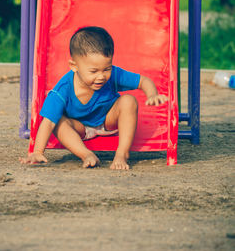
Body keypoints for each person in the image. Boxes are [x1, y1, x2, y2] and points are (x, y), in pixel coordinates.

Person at [19, 26, 168, 170]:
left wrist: (152, 95)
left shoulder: (114, 75)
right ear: (74, 66)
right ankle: (87, 155)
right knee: (58, 121)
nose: (101, 76)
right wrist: (38, 152)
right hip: (80, 129)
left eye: (107, 69)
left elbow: (143, 81)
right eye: (93, 71)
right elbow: (48, 122)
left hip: (108, 122)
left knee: (129, 100)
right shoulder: (62, 90)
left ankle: (122, 154)